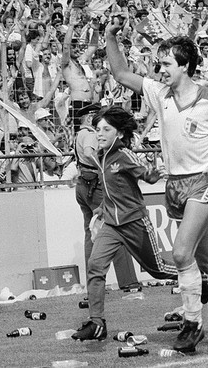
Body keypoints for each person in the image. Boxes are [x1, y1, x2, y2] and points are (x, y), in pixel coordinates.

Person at [105, 22, 208, 353]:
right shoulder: (160, 94)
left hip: (204, 181)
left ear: (185, 66)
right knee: (207, 259)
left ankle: (192, 324)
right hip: (175, 185)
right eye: (159, 64)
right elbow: (119, 73)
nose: (161, 70)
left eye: (167, 64)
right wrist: (110, 37)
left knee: (181, 252)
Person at [71, 106, 178, 340]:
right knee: (95, 267)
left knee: (157, 270)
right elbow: (111, 192)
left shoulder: (124, 155)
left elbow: (148, 177)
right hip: (111, 225)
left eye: (106, 129)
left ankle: (192, 276)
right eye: (98, 129)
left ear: (119, 134)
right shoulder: (101, 157)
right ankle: (96, 323)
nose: (99, 133)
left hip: (134, 222)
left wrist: (156, 171)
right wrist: (99, 211)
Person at [72, 103, 139, 291]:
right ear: (89, 118)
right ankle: (128, 281)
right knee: (117, 227)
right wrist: (103, 166)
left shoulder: (79, 134)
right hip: (96, 184)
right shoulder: (91, 134)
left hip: (83, 183)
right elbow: (89, 152)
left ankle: (93, 283)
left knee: (90, 232)